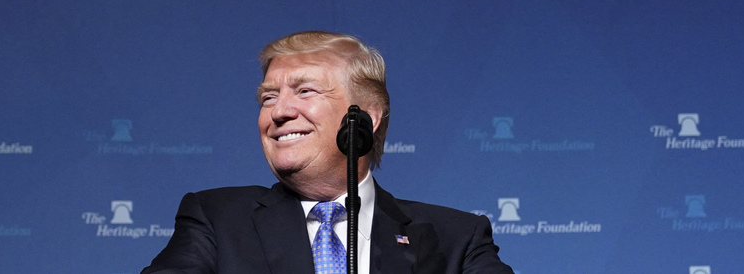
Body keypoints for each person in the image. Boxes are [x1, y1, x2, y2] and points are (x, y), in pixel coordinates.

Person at [141, 31, 514, 274]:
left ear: (365, 117)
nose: (279, 111)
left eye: (305, 92)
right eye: (268, 97)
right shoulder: (217, 221)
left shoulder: (454, 238)